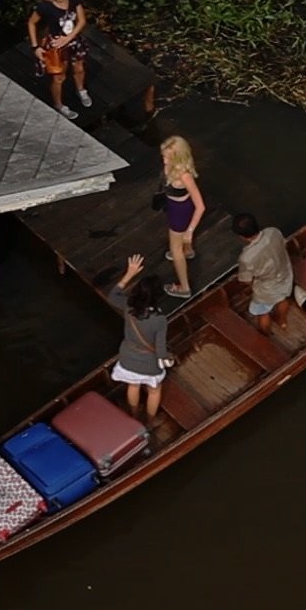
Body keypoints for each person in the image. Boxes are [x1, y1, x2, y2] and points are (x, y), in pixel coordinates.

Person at [106, 255, 171, 422]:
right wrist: (168, 360)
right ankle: (149, 421)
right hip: (149, 364)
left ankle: (134, 416)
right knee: (154, 390)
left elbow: (113, 295)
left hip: (128, 357)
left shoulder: (129, 306)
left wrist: (130, 273)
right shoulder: (159, 319)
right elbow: (161, 350)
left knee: (133, 385)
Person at [28, 0, 90, 120]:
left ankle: (81, 90)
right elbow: (31, 23)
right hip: (56, 45)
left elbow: (81, 21)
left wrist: (69, 38)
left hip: (73, 40)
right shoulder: (45, 6)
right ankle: (59, 104)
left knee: (79, 67)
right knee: (58, 77)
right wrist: (35, 46)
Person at [159, 135, 205, 298]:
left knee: (175, 250)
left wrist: (190, 231)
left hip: (180, 211)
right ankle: (188, 250)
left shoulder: (184, 176)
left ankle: (184, 287)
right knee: (179, 245)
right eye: (164, 156)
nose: (164, 160)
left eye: (168, 157)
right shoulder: (171, 167)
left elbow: (200, 206)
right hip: (173, 206)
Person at [231, 212, 293, 335]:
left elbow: (246, 280)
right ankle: (282, 321)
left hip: (267, 289)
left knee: (262, 312)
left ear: (242, 236)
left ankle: (266, 333)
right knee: (282, 299)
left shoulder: (246, 257)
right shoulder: (273, 232)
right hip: (285, 275)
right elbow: (283, 243)